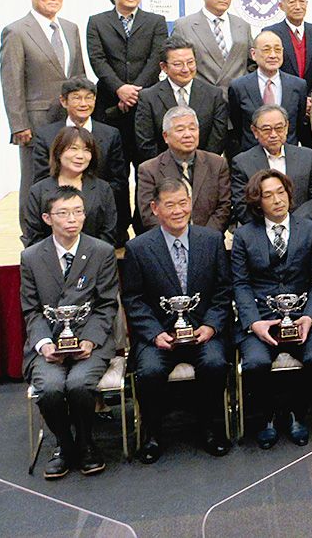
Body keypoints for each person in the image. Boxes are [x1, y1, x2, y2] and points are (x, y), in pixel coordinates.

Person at [121, 178, 232, 464]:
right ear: (155, 208)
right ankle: (153, 433)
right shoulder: (138, 248)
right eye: (170, 205)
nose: (178, 211)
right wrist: (154, 333)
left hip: (202, 331)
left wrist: (211, 325)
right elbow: (133, 299)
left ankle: (210, 427)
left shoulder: (211, 240)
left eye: (183, 203)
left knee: (215, 363)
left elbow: (223, 290)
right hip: (159, 335)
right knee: (149, 371)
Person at [20, 186, 118, 480]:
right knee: (50, 388)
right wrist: (44, 344)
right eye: (63, 213)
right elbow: (31, 310)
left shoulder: (101, 251)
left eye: (77, 212)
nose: (72, 219)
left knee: (79, 384)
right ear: (47, 218)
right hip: (49, 341)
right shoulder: (32, 257)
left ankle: (86, 442)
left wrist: (90, 340)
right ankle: (64, 444)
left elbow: (107, 304)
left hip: (91, 340)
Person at [231, 169, 312, 449]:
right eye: (268, 195)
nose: (277, 200)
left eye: (281, 192)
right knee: (255, 364)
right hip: (262, 318)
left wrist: (309, 316)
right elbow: (240, 284)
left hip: (301, 317)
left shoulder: (310, 230)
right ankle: (267, 416)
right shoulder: (243, 236)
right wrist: (254, 323)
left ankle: (297, 412)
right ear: (257, 201)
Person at [1, 0, 86, 235]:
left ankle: (70, 228)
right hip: (35, 122)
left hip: (69, 119)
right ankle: (32, 235)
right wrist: (18, 124)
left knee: (71, 173)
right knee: (33, 179)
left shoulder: (70, 28)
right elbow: (11, 81)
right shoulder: (17, 31)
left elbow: (79, 75)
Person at [85, 0, 168, 223]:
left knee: (148, 168)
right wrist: (119, 89)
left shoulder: (156, 21)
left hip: (146, 105)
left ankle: (146, 225)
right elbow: (97, 60)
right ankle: (117, 226)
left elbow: (156, 59)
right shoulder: (97, 22)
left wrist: (135, 91)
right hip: (110, 107)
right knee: (114, 171)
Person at [31, 76, 128, 241]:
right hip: (58, 223)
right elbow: (42, 179)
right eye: (77, 98)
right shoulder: (46, 135)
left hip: (100, 219)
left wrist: (94, 203)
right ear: (63, 101)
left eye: (89, 98)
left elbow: (118, 181)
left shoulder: (110, 134)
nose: (84, 104)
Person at [133, 36, 227, 163]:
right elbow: (145, 142)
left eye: (190, 62)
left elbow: (218, 139)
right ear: (164, 67)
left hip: (204, 168)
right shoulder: (149, 97)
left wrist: (200, 166)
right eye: (178, 64)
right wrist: (168, 168)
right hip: (162, 169)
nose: (186, 69)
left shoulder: (213, 94)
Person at [136, 107, 231, 233]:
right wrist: (178, 238)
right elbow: (149, 215)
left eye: (192, 129)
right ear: (165, 136)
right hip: (167, 240)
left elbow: (224, 208)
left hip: (209, 239)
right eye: (180, 130)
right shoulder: (149, 170)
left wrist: (202, 237)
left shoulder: (217, 164)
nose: (188, 135)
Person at [262, 0, 312, 148]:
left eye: (302, 1)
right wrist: (297, 99)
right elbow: (269, 69)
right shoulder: (270, 33)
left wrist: (310, 98)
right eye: (292, 1)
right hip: (283, 105)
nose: (298, 6)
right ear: (281, 6)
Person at [231, 105, 312, 225]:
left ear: (287, 128)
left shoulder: (307, 157)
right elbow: (241, 205)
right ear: (255, 131)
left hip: (302, 227)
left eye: (279, 128)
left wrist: (292, 224)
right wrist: (270, 225)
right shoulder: (242, 162)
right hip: (261, 229)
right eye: (266, 130)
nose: (273, 134)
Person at [24, 127, 118, 247]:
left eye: (87, 150)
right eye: (74, 148)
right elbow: (34, 236)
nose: (80, 156)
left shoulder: (103, 188)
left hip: (94, 256)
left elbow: (109, 232)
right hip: (49, 257)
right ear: (59, 152)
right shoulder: (38, 191)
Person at [227, 31, 308, 155]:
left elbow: (298, 124)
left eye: (277, 50)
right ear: (253, 54)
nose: (273, 55)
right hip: (252, 156)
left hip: (288, 156)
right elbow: (237, 126)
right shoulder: (239, 86)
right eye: (266, 50)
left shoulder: (298, 85)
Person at [173, 0, 252, 92]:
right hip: (202, 95)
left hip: (237, 96)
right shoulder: (184, 26)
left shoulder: (242, 25)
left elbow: (252, 62)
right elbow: (175, 63)